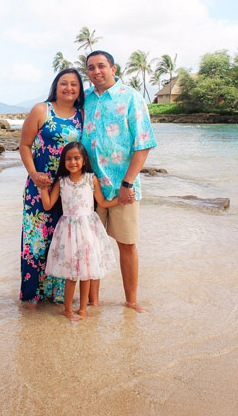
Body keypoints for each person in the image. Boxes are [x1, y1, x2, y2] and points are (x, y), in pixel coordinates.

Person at [82, 50, 157, 313]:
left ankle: (131, 301)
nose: (96, 71)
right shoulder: (85, 100)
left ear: (113, 69)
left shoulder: (131, 98)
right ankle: (92, 301)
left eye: (101, 66)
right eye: (91, 67)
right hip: (89, 187)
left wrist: (127, 183)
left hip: (122, 187)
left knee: (126, 244)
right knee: (90, 244)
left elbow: (143, 144)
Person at [18, 68, 85, 305]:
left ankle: (58, 297)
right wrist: (34, 174)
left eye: (74, 84)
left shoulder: (82, 115)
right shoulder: (41, 110)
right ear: (56, 86)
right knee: (36, 242)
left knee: (64, 242)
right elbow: (24, 145)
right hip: (39, 187)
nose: (68, 88)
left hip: (69, 191)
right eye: (63, 83)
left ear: (80, 90)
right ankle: (32, 298)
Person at [39, 142, 117, 321]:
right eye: (68, 159)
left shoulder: (91, 179)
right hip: (68, 232)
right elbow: (48, 205)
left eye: (76, 158)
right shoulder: (62, 182)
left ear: (84, 161)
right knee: (71, 274)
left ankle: (83, 309)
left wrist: (120, 200)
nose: (72, 162)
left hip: (88, 230)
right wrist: (43, 188)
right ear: (63, 161)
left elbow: (102, 203)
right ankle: (68, 310)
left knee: (87, 272)